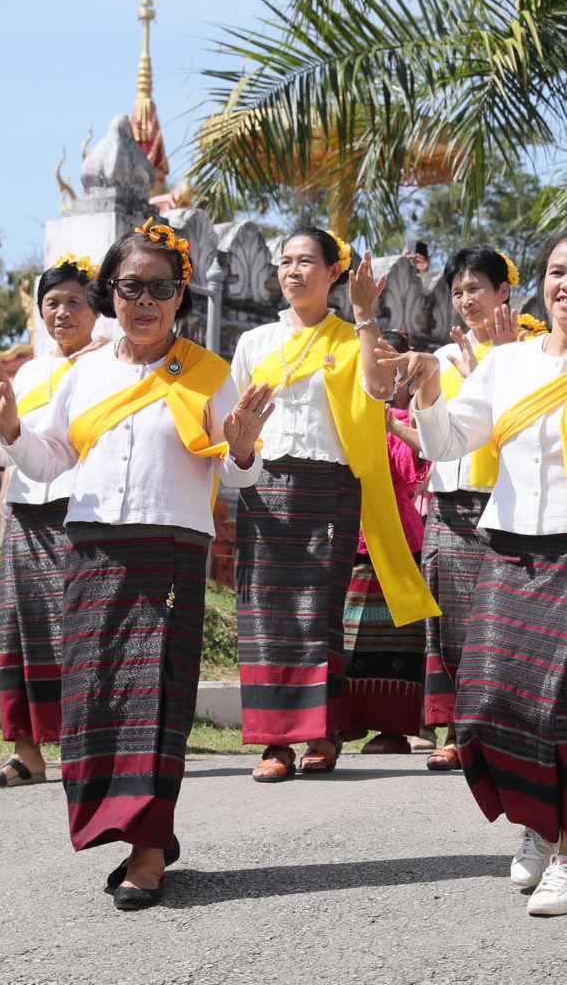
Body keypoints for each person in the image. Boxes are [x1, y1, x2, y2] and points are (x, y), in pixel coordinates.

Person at [0, 218, 272, 909]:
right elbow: (52, 461)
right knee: (98, 698)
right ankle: (142, 829)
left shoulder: (209, 374)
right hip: (94, 549)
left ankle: (147, 849)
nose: (144, 300)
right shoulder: (85, 373)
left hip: (169, 551)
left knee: (157, 702)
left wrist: (245, 447)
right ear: (110, 294)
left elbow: (239, 476)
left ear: (180, 295)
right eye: (130, 286)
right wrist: (12, 424)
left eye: (159, 288)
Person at [386, 226, 567, 916]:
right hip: (512, 544)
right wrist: (426, 385)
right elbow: (452, 440)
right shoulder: (507, 363)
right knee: (486, 699)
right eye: (556, 271)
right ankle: (538, 823)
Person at [227, 228, 439, 782]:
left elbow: (375, 388)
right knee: (265, 615)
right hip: (265, 486)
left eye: (306, 262)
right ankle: (275, 742)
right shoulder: (254, 344)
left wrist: (366, 314)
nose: (293, 271)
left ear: (332, 273)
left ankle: (321, 731)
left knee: (319, 613)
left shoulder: (350, 337)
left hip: (332, 487)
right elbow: (236, 421)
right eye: (285, 262)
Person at [0, 253, 105, 790]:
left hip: (81, 515)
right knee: (21, 633)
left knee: (81, 632)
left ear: (96, 308)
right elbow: (15, 449)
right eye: (52, 302)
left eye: (73, 301)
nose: (62, 312)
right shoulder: (34, 371)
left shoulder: (112, 365)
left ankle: (89, 748)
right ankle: (27, 752)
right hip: (25, 514)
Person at [421, 247, 518, 770]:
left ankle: (503, 730)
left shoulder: (531, 352)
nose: (466, 300)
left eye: (476, 288)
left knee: (501, 622)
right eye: (458, 292)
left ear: (504, 290)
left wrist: (491, 372)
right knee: (454, 624)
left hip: (504, 504)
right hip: (449, 501)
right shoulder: (439, 356)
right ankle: (463, 728)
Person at [339, 330, 432, 753]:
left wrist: (392, 424)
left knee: (396, 642)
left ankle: (393, 730)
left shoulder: (401, 422)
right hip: (347, 542)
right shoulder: (342, 417)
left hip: (395, 544)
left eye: (388, 370)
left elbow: (413, 468)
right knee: (347, 640)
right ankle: (350, 722)